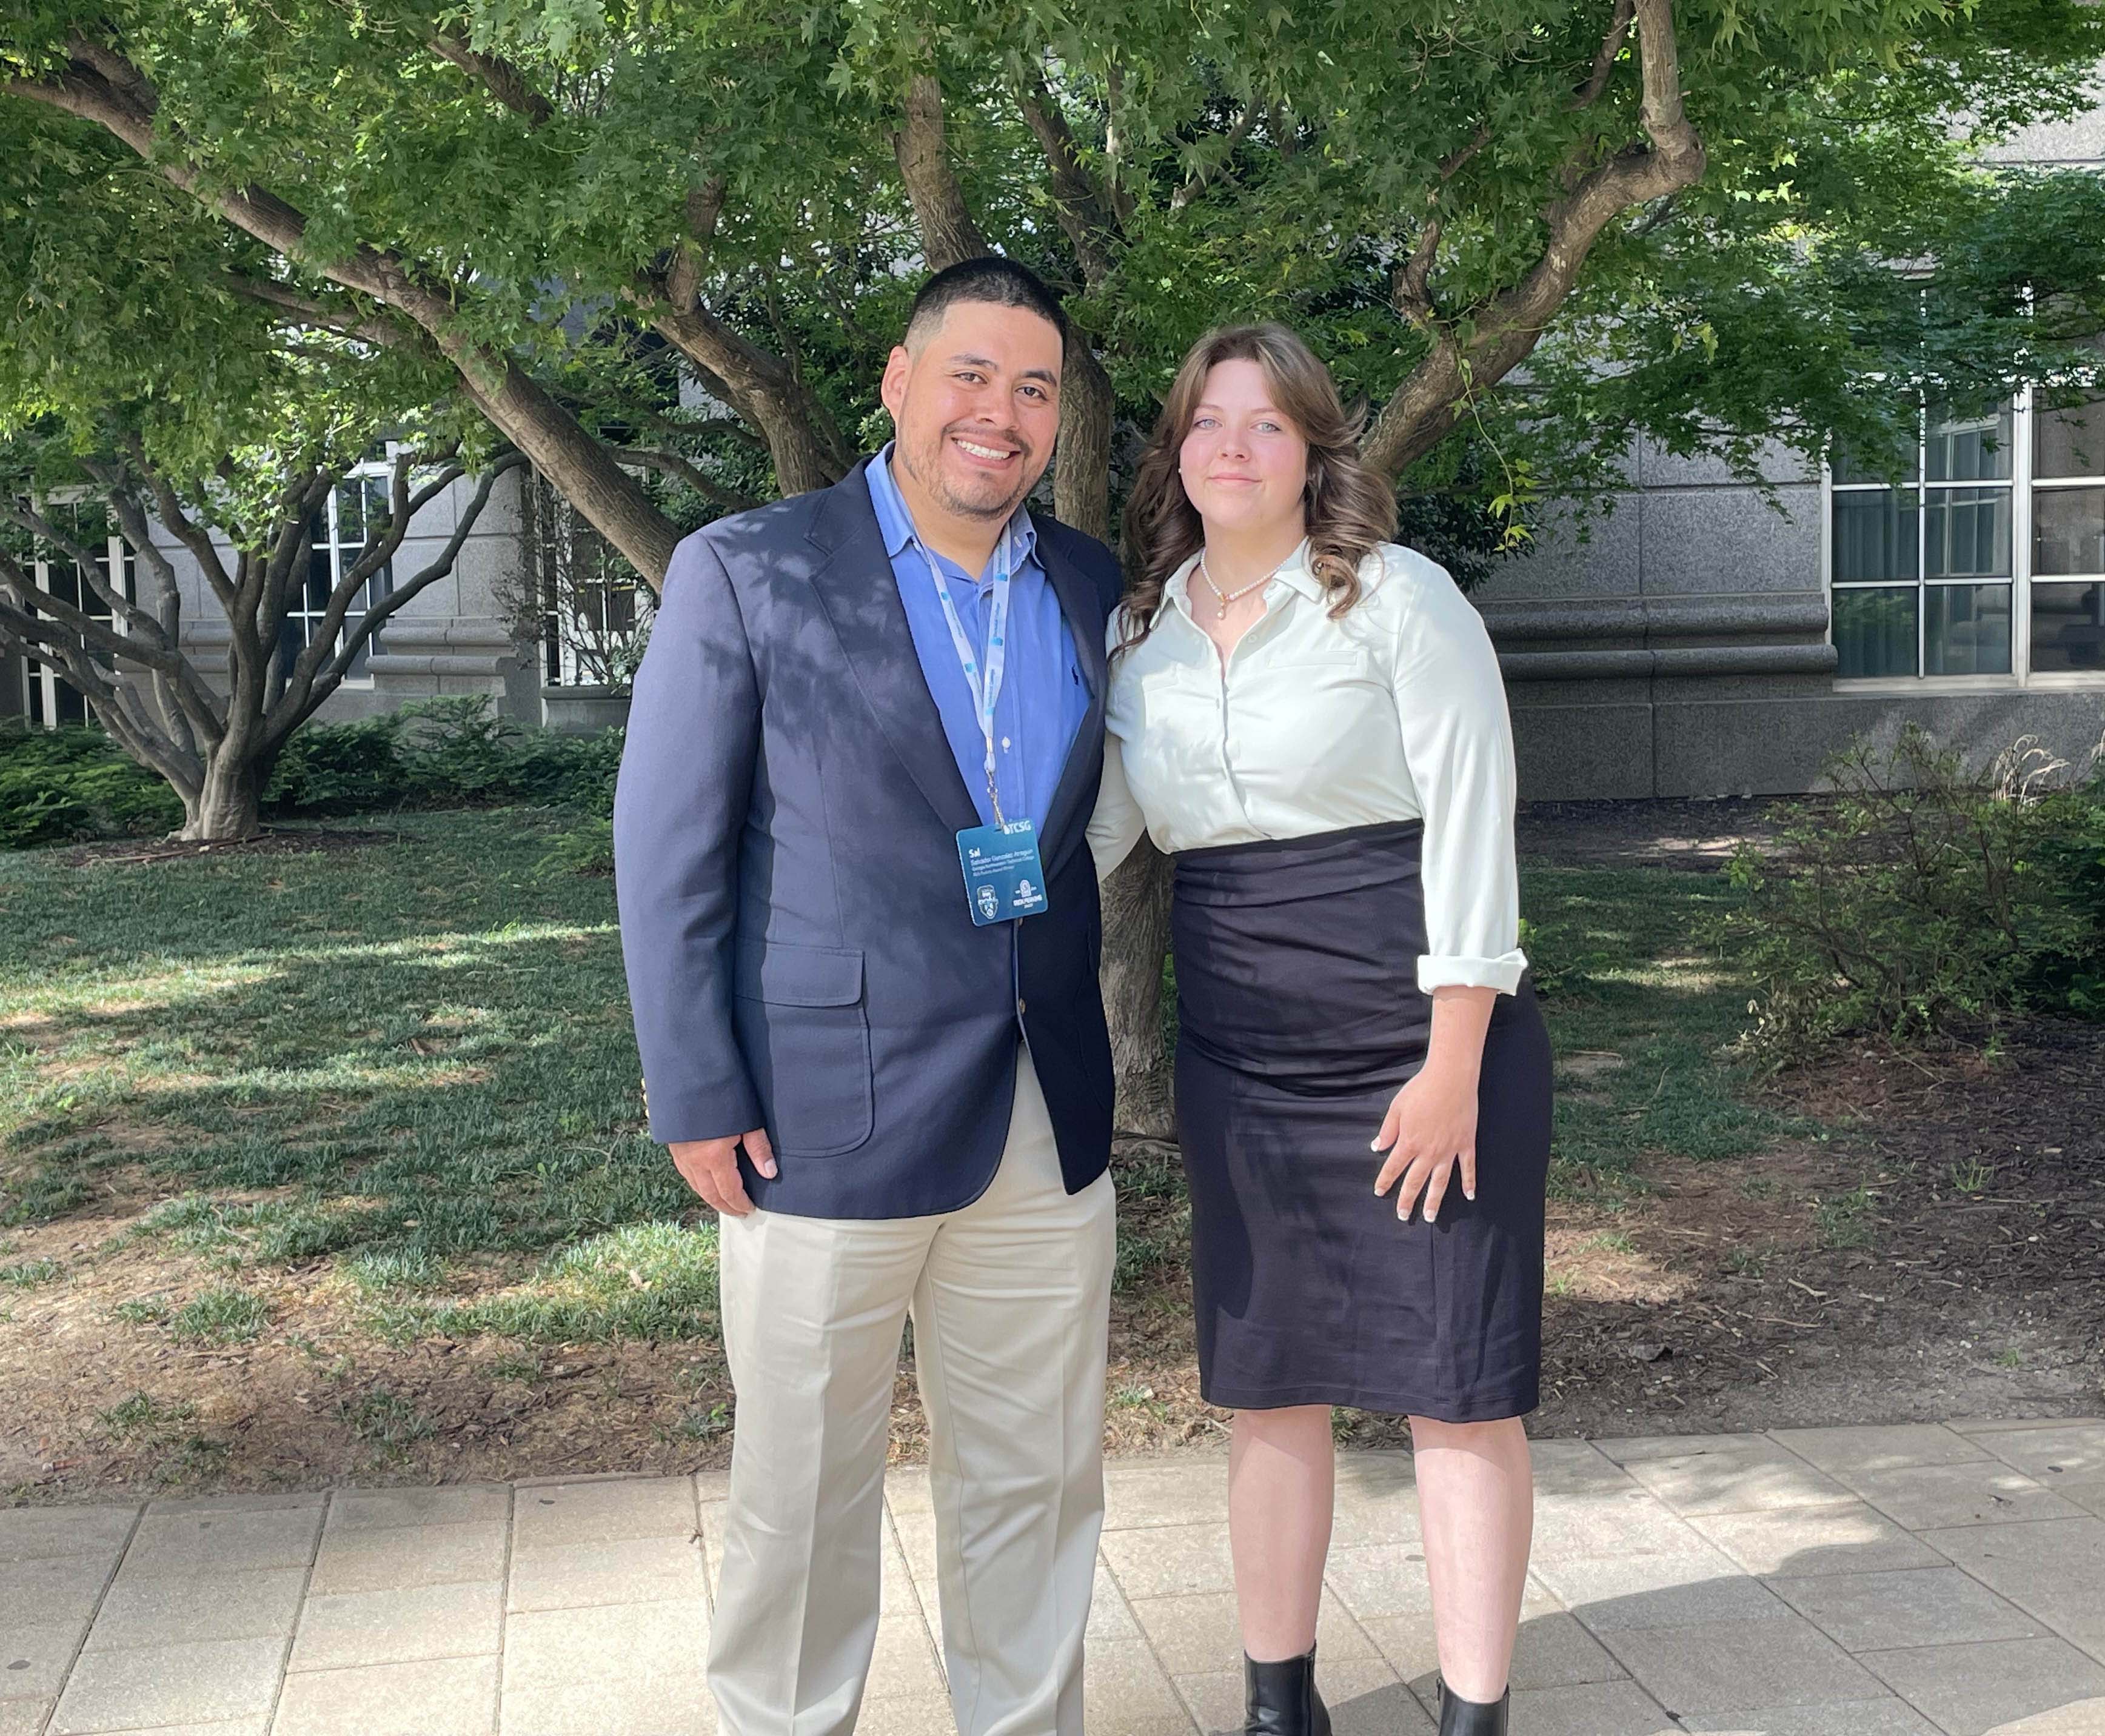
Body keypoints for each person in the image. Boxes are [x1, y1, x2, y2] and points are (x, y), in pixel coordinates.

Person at [614, 256, 1125, 1736]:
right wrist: (695, 1089)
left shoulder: (1086, 582)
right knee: (801, 1492)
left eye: (1033, 388)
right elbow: (669, 853)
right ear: (899, 384)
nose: (1001, 413)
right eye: (970, 374)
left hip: (1040, 1107)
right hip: (814, 1117)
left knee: (1033, 1483)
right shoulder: (749, 567)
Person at [1088, 324, 1553, 1736]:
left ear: (1311, 451)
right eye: (1207, 420)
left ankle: (1474, 1715)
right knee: (1269, 1389)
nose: (1232, 445)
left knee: (1454, 1391)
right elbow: (1100, 836)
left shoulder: (1398, 599)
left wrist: (1451, 1064)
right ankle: (1277, 1707)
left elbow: (1475, 829)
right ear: (1176, 449)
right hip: (1239, 1053)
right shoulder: (1139, 628)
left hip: (1417, 1043)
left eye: (1266, 423)